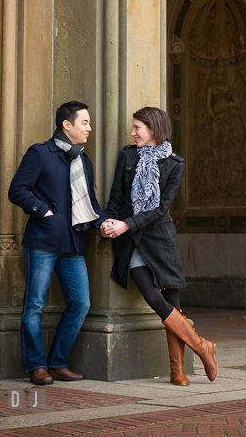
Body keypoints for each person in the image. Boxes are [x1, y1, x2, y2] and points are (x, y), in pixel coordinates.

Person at [101, 106, 218, 386]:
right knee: (154, 298)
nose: (132, 133)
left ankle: (177, 370)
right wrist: (107, 222)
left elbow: (161, 208)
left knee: (173, 302)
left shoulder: (176, 164)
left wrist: (126, 224)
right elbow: (115, 198)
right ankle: (202, 346)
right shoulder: (128, 156)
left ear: (152, 129)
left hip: (160, 237)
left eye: (137, 128)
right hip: (130, 239)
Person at [9, 101, 108, 385]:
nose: (89, 128)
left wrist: (105, 222)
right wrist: (43, 211)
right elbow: (17, 190)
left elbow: (92, 204)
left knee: (81, 304)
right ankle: (37, 366)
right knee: (35, 305)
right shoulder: (40, 153)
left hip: (74, 244)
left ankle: (58, 362)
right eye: (85, 123)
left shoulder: (83, 161)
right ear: (67, 124)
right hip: (42, 240)